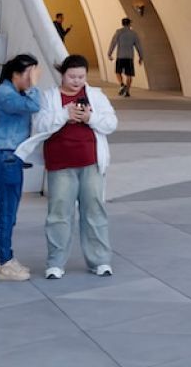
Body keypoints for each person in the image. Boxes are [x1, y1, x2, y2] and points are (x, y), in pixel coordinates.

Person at [17, 55, 118, 278]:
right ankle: (55, 262)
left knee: (94, 211)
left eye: (81, 76)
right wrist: (64, 114)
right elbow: (40, 124)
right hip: (60, 164)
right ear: (62, 74)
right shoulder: (49, 97)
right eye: (72, 76)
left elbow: (111, 123)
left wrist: (89, 117)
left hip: (91, 163)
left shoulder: (96, 96)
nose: (77, 80)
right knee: (59, 213)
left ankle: (100, 260)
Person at [0, 54, 40, 280]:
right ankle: (4, 263)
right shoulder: (6, 93)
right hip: (5, 160)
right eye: (29, 74)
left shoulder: (10, 92)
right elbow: (35, 105)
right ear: (16, 74)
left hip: (10, 160)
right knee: (6, 214)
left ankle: (7, 258)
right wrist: (34, 86)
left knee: (9, 214)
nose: (32, 79)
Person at [107, 18, 144, 97]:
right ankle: (127, 91)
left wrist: (109, 53)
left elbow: (113, 43)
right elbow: (138, 46)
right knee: (129, 75)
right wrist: (141, 56)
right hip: (129, 57)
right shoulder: (133, 34)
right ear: (130, 24)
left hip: (120, 56)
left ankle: (122, 84)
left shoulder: (118, 32)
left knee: (118, 72)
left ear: (122, 24)